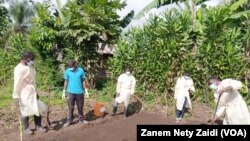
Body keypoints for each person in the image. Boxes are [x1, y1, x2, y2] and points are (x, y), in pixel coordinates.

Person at [13, 51, 47, 135]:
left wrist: (36, 92)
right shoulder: (19, 69)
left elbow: (33, 82)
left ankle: (38, 126)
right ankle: (26, 128)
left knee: (37, 109)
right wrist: (16, 96)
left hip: (32, 91)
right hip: (24, 92)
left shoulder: (30, 67)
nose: (33, 61)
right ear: (26, 59)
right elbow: (17, 83)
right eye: (31, 59)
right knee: (25, 110)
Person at [62, 60, 89, 127]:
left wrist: (86, 90)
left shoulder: (81, 70)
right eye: (70, 67)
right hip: (70, 92)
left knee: (80, 106)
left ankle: (81, 119)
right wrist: (63, 91)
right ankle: (69, 121)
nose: (71, 69)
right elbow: (66, 81)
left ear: (75, 64)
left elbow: (83, 81)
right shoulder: (67, 71)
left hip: (79, 92)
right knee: (70, 107)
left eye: (72, 67)